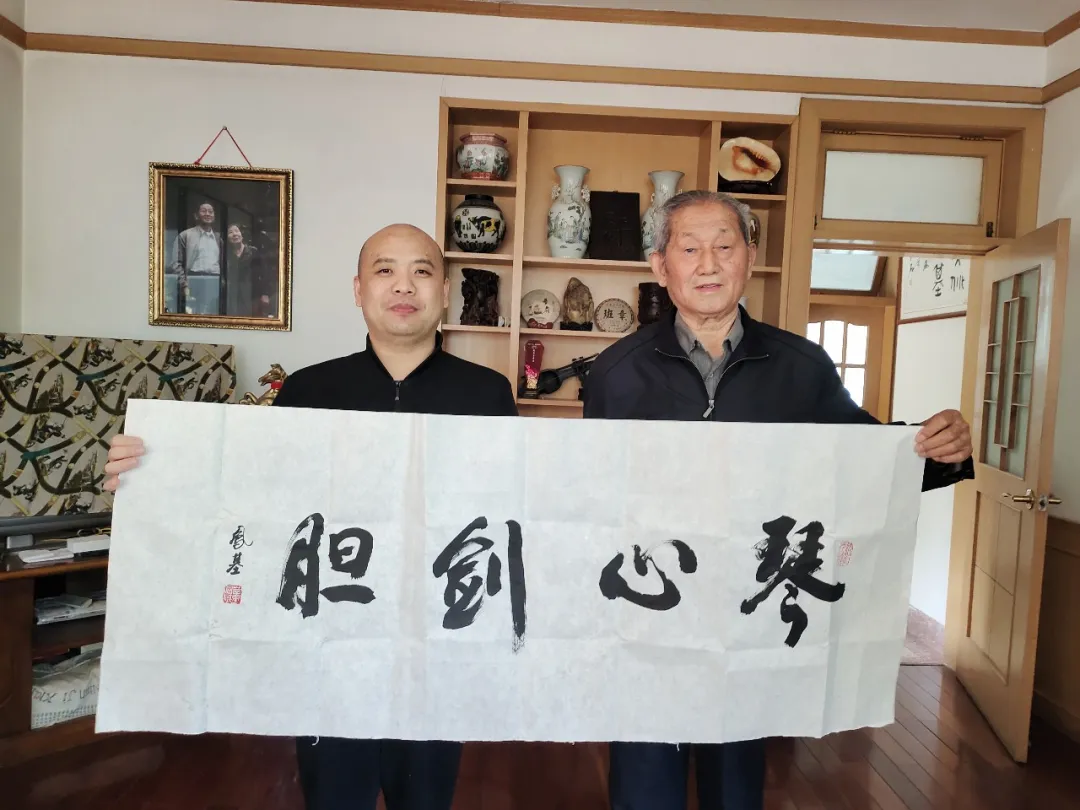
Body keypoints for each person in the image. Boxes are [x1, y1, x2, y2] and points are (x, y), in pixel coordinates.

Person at [104, 222, 518, 810]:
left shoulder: (487, 395)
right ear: (358, 290)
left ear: (445, 292)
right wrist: (150, 473)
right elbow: (250, 501)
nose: (404, 285)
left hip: (434, 651)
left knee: (426, 797)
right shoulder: (308, 391)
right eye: (385, 270)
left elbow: (512, 514)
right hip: (328, 650)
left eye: (422, 271)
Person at [582, 190, 974, 810]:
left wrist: (935, 449)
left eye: (724, 246)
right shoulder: (616, 370)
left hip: (752, 608)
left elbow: (860, 460)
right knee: (644, 776)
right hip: (651, 608)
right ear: (661, 265)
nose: (708, 264)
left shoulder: (801, 366)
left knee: (737, 779)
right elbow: (592, 493)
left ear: (749, 257)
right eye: (690, 249)